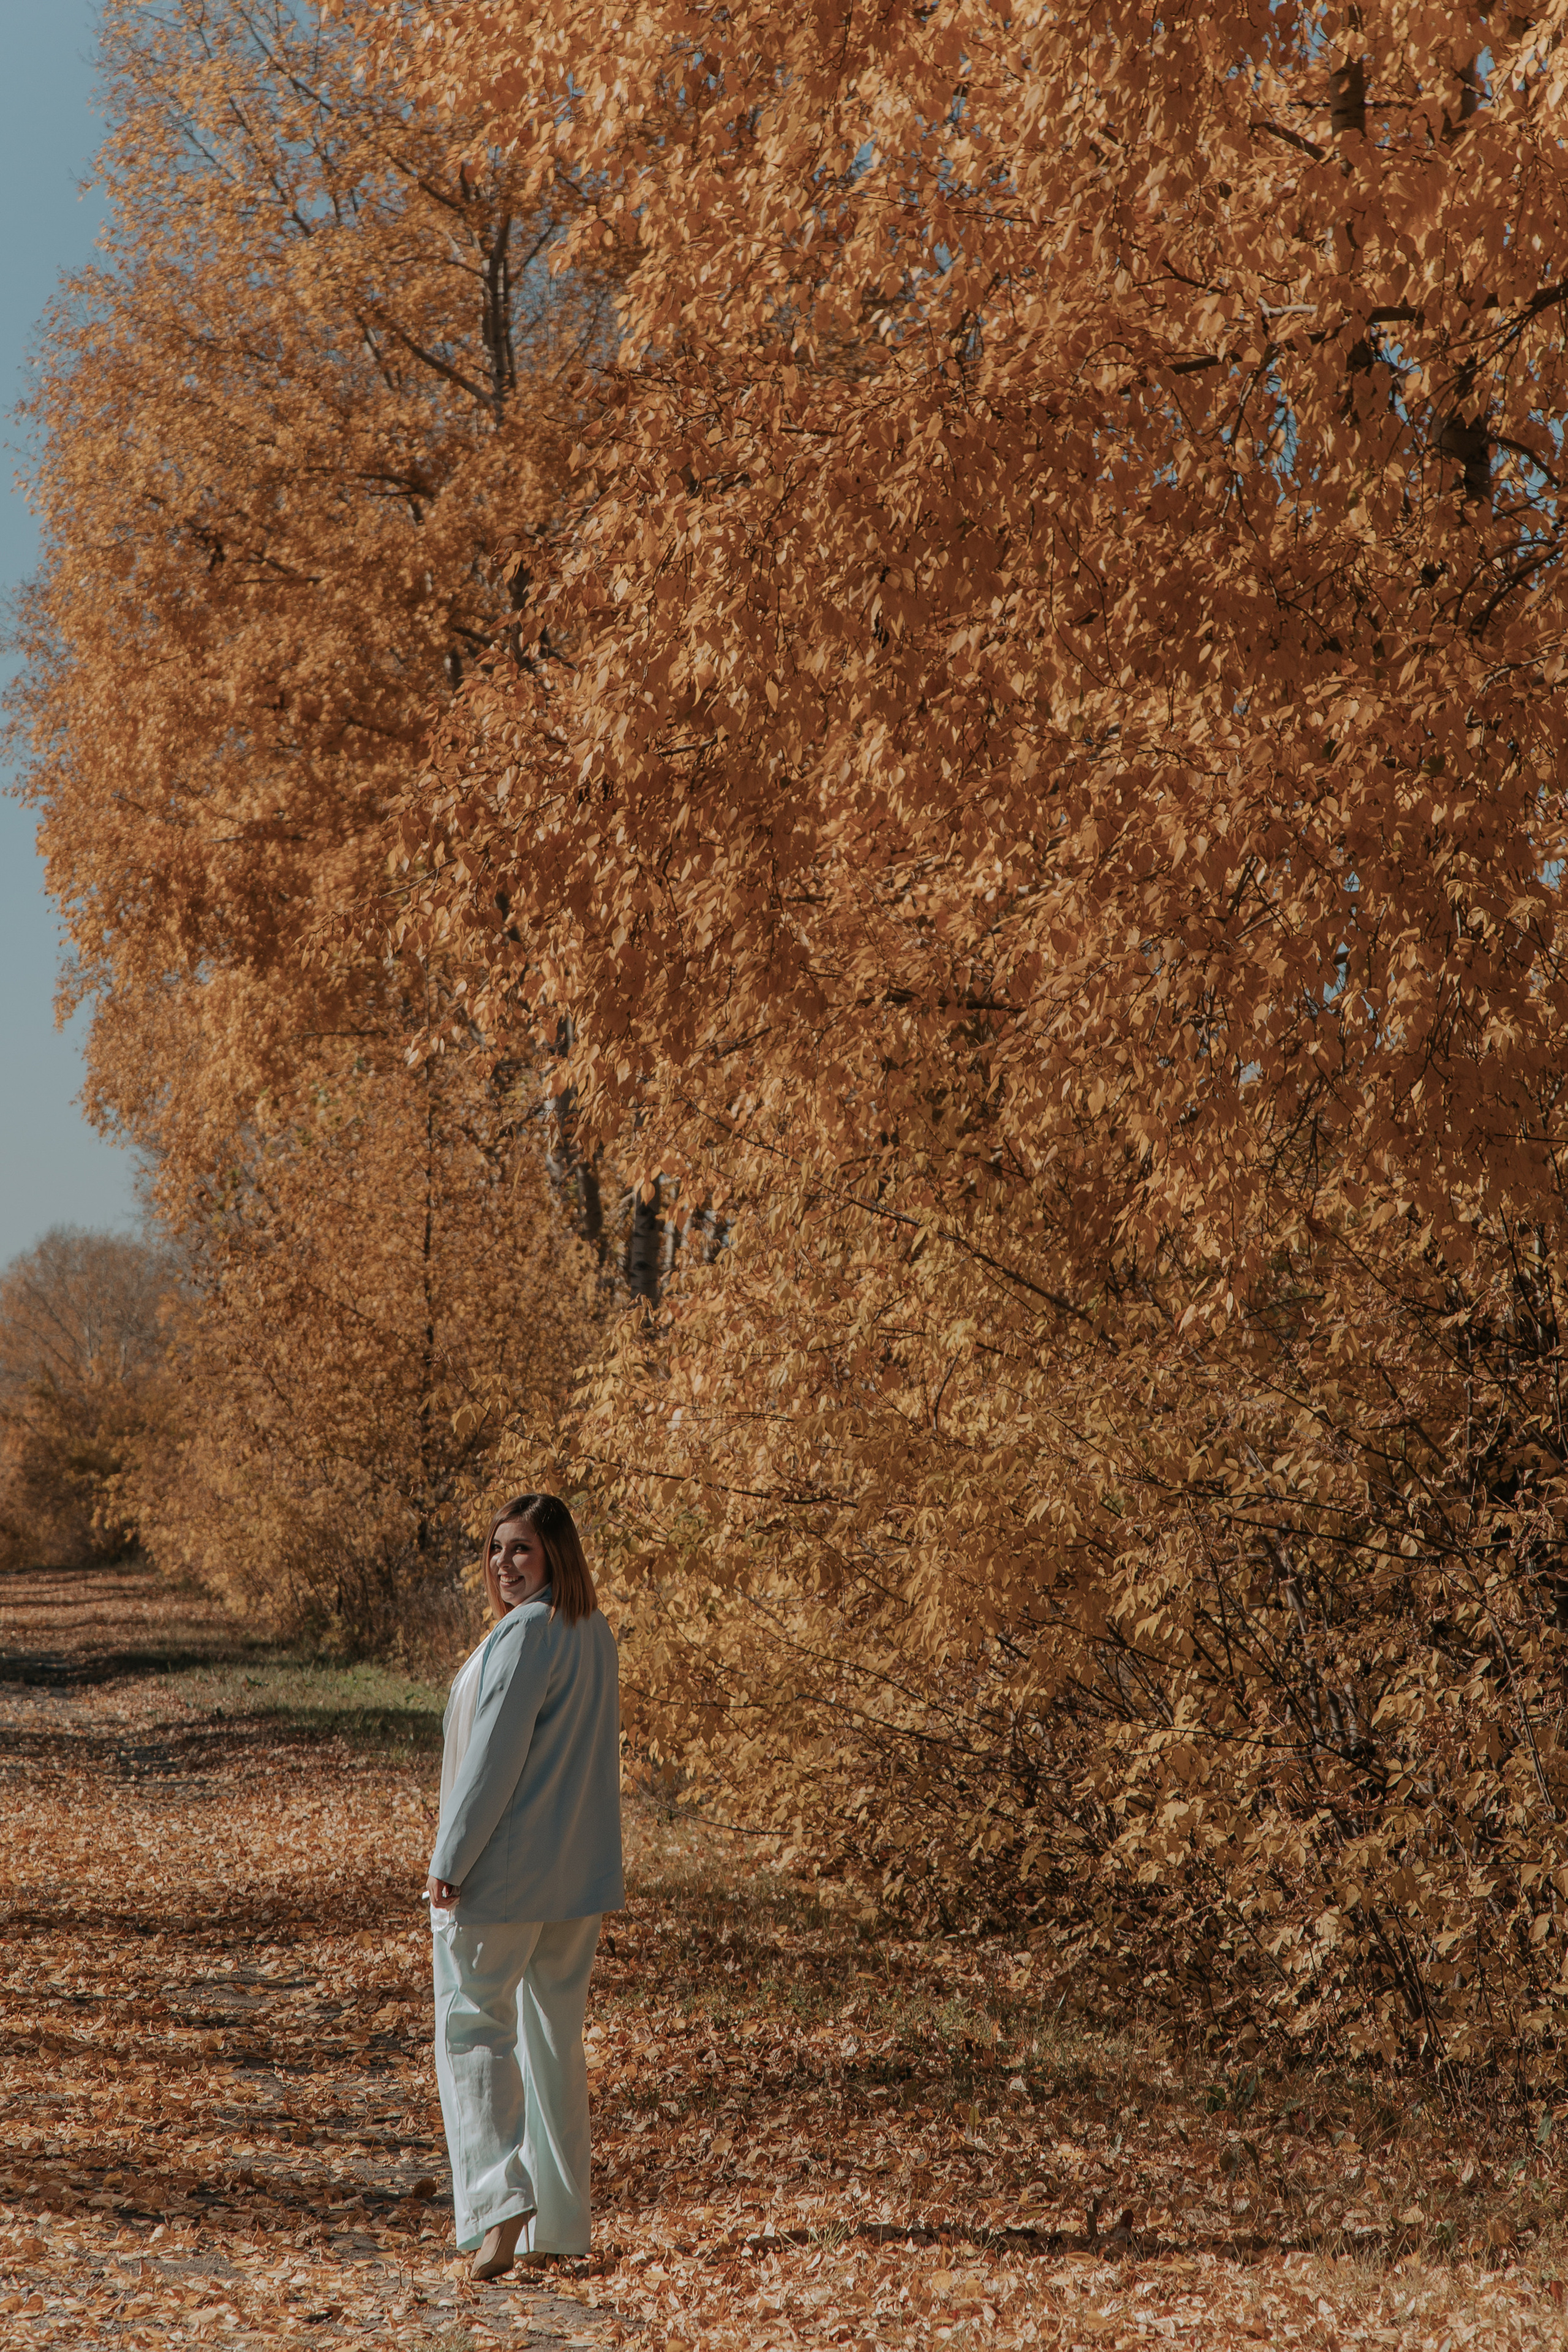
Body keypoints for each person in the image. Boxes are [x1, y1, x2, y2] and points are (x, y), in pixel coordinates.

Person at [426, 1491, 623, 2281]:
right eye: (498, 1549)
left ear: (556, 1556)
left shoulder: (523, 1635)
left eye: (523, 1551)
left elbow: (492, 1761)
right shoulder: (594, 1634)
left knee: (471, 2029)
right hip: (576, 1878)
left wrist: (452, 1857)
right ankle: (561, 2222)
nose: (506, 1565)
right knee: (552, 2046)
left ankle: (498, 2206)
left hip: (504, 1875)